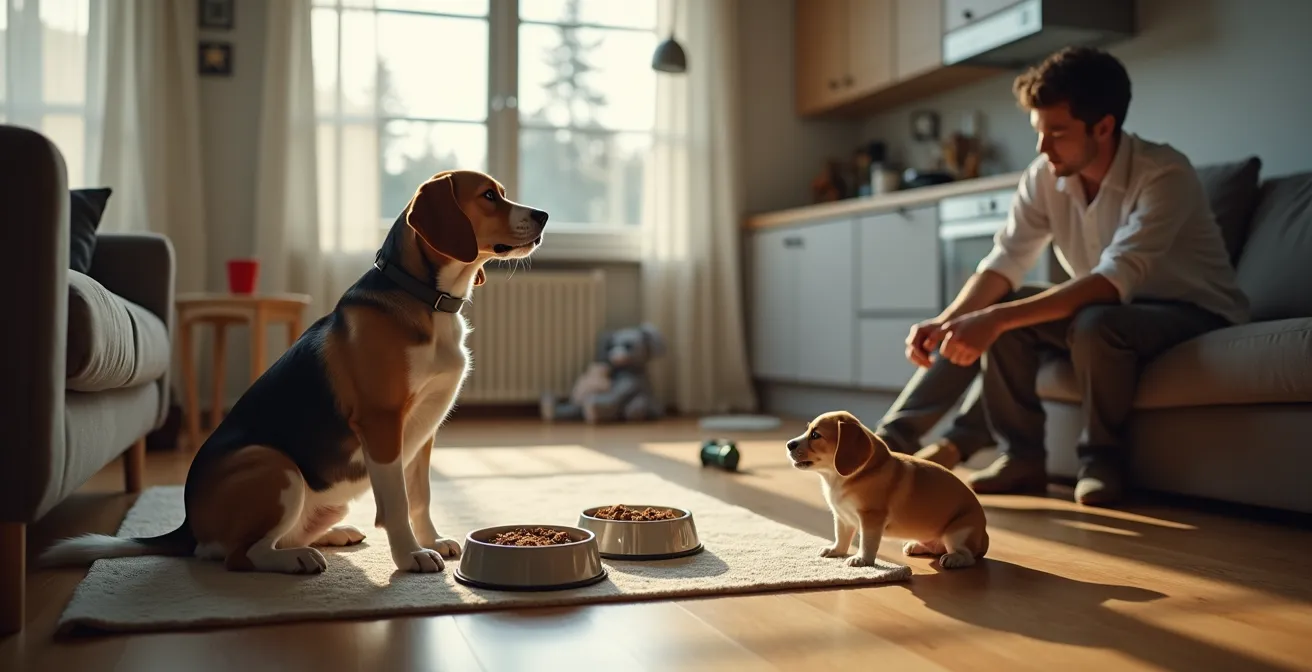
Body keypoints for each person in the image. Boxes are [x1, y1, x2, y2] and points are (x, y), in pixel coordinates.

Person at [872, 46, 1249, 506]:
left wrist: (996, 319)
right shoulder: (1044, 175)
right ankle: (1019, 459)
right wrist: (949, 318)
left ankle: (1101, 461)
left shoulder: (1164, 173)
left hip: (1193, 311)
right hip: (1111, 307)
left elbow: (1111, 280)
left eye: (1057, 132)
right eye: (1038, 130)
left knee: (1085, 323)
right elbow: (1006, 260)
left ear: (1104, 127)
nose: (1042, 146)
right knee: (1011, 316)